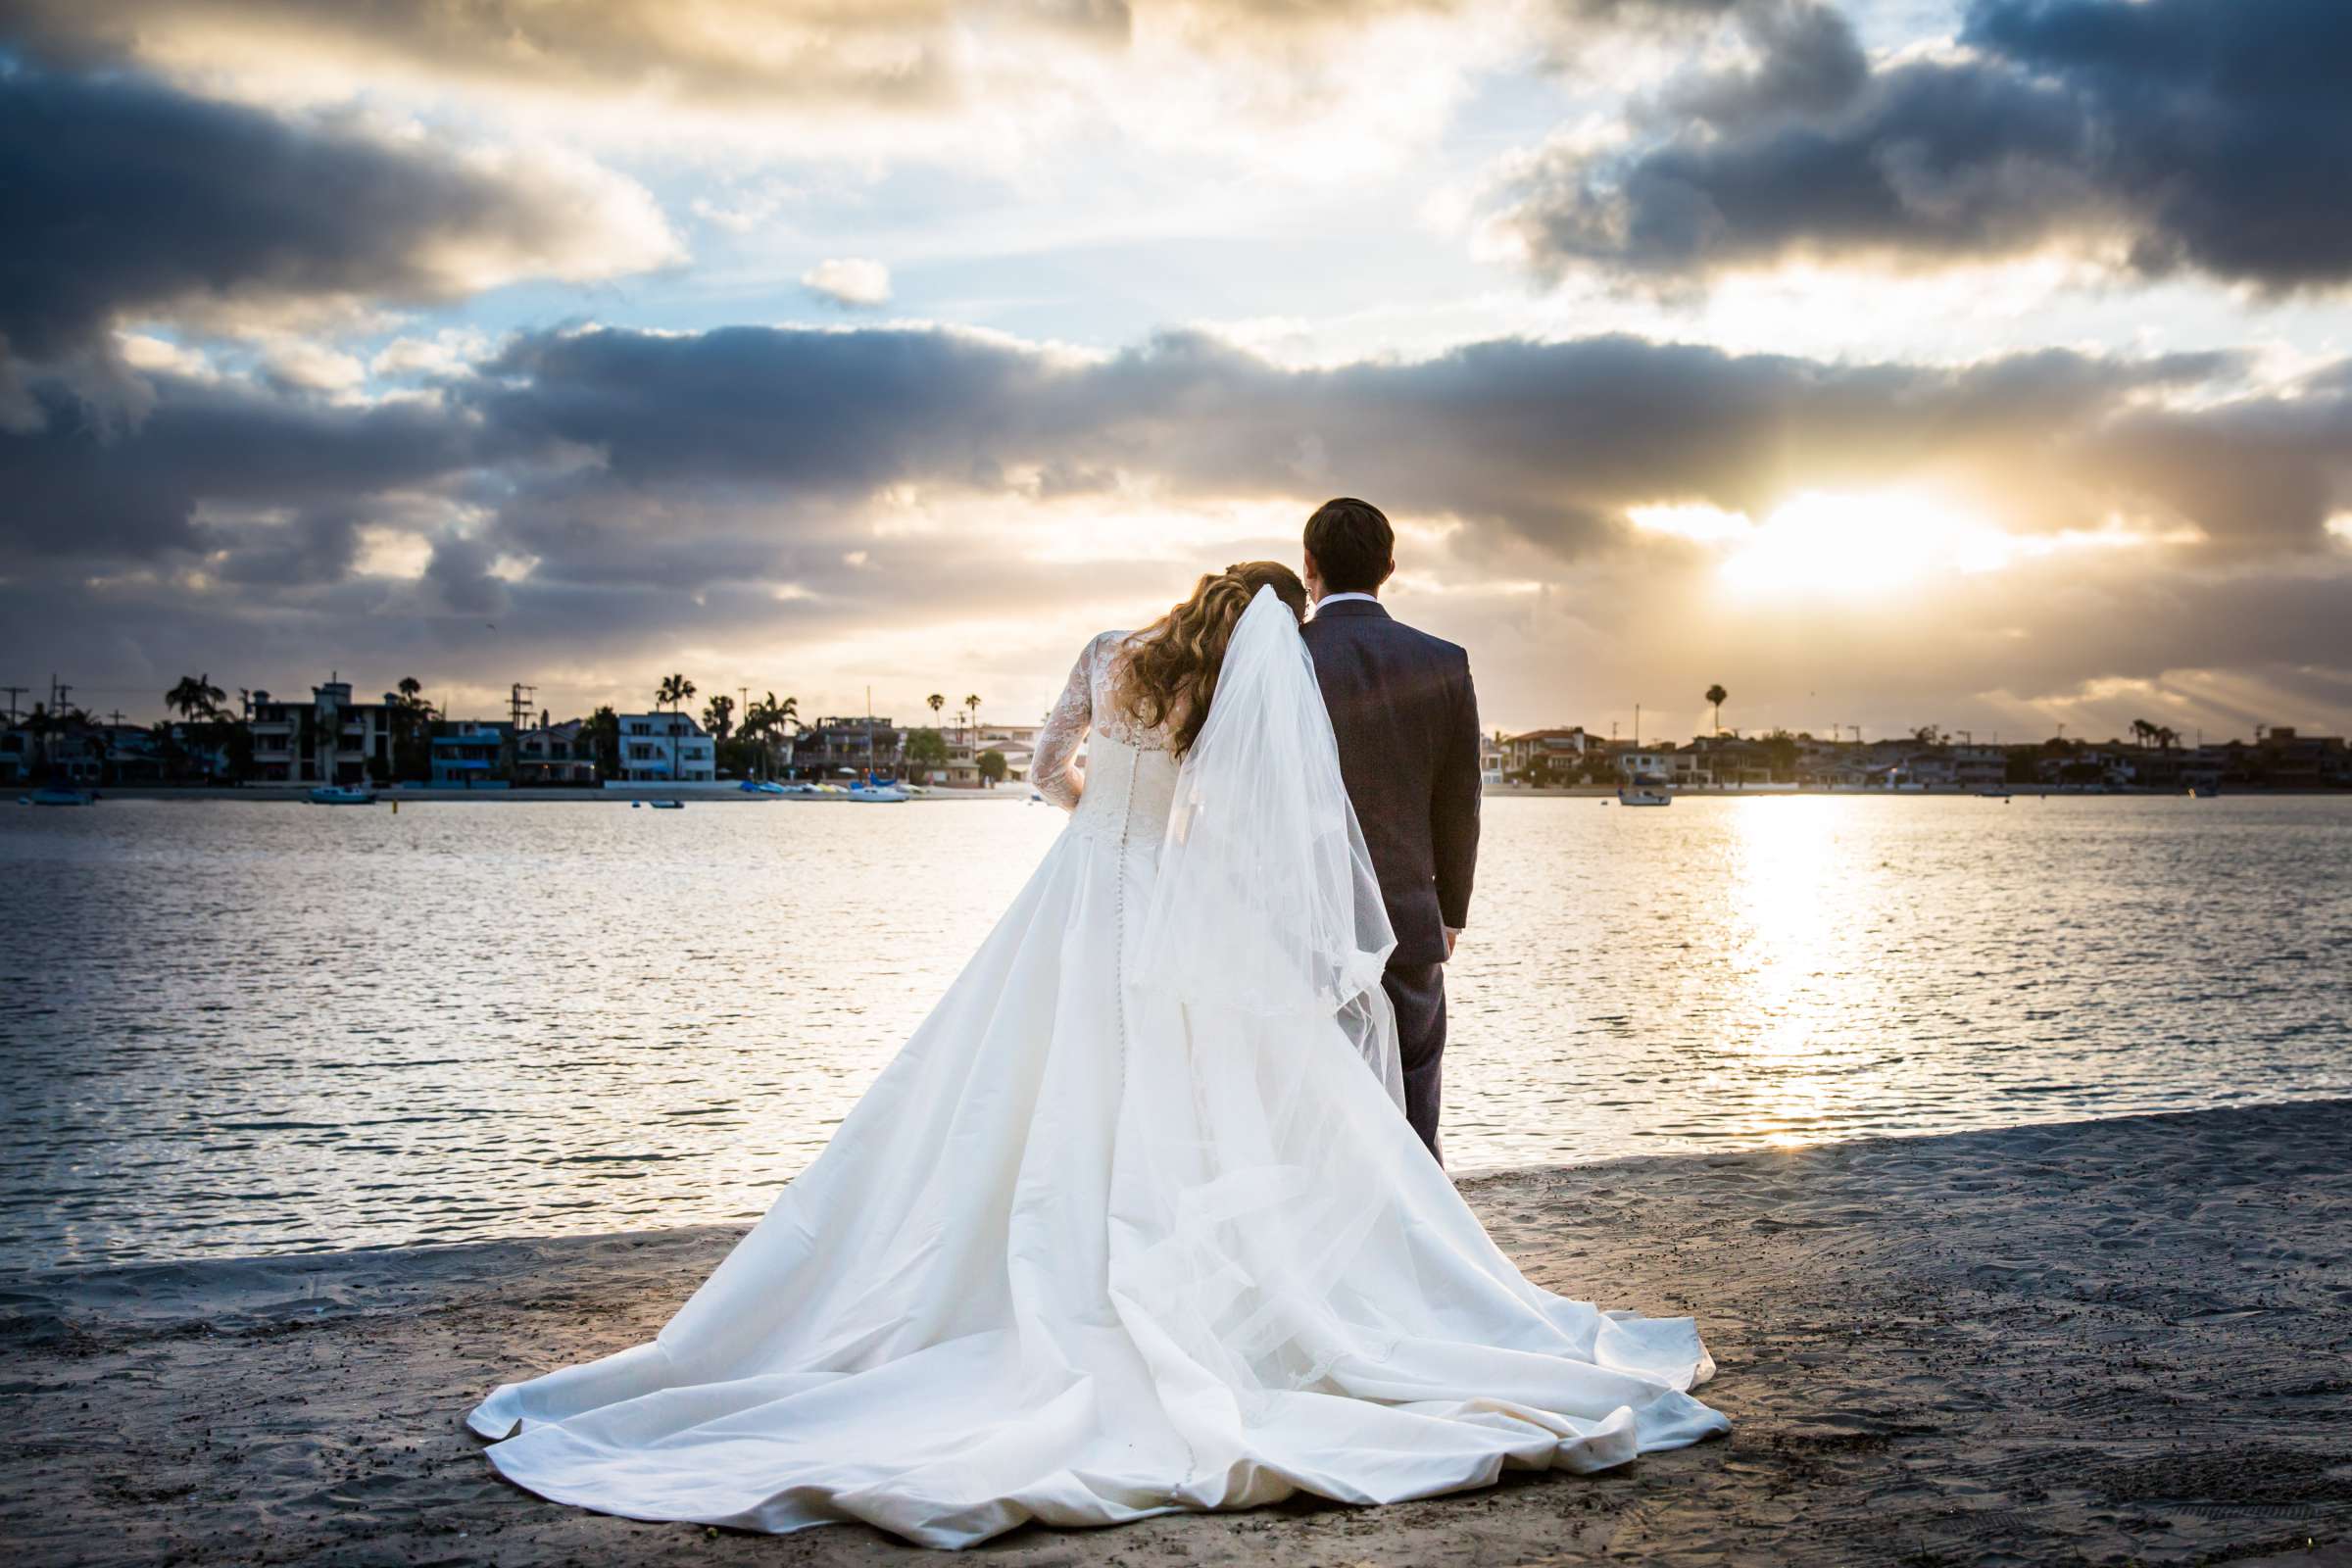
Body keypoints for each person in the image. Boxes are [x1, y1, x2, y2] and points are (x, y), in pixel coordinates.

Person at [467, 561, 1725, 1549]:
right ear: (1257, 622)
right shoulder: (1229, 682)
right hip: (1168, 897)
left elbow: (1044, 768)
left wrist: (1101, 817)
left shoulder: (1105, 653)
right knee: (1171, 1083)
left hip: (1076, 887)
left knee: (1014, 1075)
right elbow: (1243, 809)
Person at [1299, 497, 1481, 1162]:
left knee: (1315, 1106)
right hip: (1409, 920)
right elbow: (1459, 805)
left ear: (1309, 565)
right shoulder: (1444, 661)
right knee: (1414, 1104)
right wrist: (1450, 914)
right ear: (1390, 567)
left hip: (1305, 924)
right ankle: (1423, 1244)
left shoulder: (1284, 660)